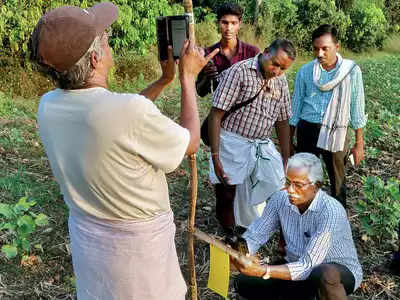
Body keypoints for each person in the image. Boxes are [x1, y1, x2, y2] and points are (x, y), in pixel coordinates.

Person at [30, 2, 218, 300]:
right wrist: (186, 78)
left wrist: (163, 80)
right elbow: (190, 141)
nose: (109, 43)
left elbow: (116, 120)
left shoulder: (48, 105)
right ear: (95, 59)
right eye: (105, 39)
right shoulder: (126, 111)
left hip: (91, 247)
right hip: (138, 260)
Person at [232, 152, 363, 300]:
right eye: (288, 182)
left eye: (298, 185)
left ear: (316, 186)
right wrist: (241, 252)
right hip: (295, 266)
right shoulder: (280, 199)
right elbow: (256, 234)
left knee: (325, 274)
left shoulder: (330, 210)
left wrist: (263, 270)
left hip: (333, 272)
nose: (290, 190)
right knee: (244, 283)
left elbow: (308, 265)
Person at [208, 39, 296, 235]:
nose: (276, 71)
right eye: (275, 64)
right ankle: (229, 233)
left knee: (276, 185)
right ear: (265, 52)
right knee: (227, 191)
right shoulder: (239, 72)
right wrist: (215, 155)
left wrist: (285, 157)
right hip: (231, 142)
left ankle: (255, 228)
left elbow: (282, 121)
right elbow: (216, 114)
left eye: (283, 68)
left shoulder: (280, 81)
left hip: (261, 144)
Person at [289, 24, 367, 209]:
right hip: (308, 130)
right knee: (303, 179)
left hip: (336, 132)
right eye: (316, 49)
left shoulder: (351, 71)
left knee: (337, 182)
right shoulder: (306, 71)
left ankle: (337, 223)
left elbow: (357, 107)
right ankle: (303, 218)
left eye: (325, 48)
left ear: (337, 47)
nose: (320, 53)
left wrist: (359, 143)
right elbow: (296, 107)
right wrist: (288, 140)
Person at [195, 2, 260, 97]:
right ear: (218, 23)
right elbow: (200, 92)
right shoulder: (208, 54)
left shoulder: (252, 53)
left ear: (239, 24)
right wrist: (206, 76)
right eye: (224, 22)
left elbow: (260, 86)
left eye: (233, 23)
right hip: (220, 110)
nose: (229, 28)